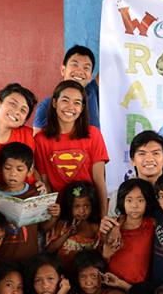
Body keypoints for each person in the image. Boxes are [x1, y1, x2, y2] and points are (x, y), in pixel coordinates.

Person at [34, 79, 109, 214]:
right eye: (65, 100)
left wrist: (103, 216)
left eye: (77, 103)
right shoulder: (41, 139)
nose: (71, 107)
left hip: (87, 211)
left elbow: (99, 181)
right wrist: (52, 216)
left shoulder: (93, 134)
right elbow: (46, 183)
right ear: (54, 102)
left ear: (82, 108)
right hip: (58, 211)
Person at [0, 142, 52, 263]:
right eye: (8, 168)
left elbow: (44, 227)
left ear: (29, 171)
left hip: (30, 259)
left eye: (19, 169)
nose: (13, 174)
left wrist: (54, 215)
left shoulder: (36, 193)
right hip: (0, 259)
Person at [33, 44, 101, 131]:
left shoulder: (91, 90)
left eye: (86, 68)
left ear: (90, 76)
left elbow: (111, 66)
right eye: (75, 65)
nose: (80, 71)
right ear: (63, 70)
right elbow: (37, 137)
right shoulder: (47, 105)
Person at [102, 178, 156, 285]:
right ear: (122, 202)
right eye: (129, 200)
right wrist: (105, 255)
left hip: (137, 289)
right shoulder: (110, 226)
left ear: (147, 202)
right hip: (110, 284)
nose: (134, 206)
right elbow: (98, 263)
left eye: (140, 200)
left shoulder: (152, 225)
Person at [46, 180, 100, 272]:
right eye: (77, 206)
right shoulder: (63, 224)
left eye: (86, 206)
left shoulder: (95, 227)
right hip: (63, 272)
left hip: (84, 275)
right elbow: (49, 250)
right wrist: (67, 234)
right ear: (69, 206)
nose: (82, 211)